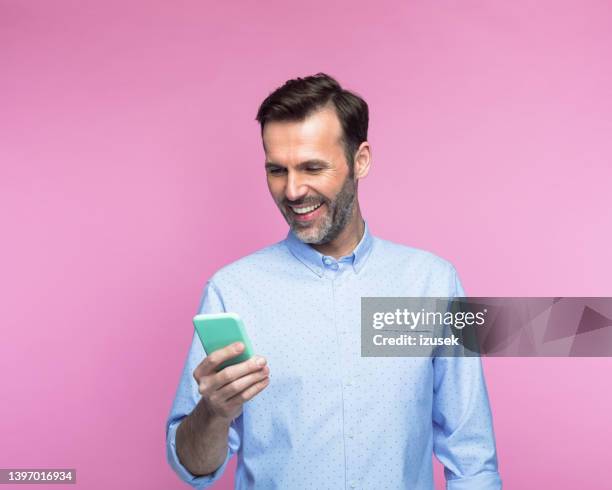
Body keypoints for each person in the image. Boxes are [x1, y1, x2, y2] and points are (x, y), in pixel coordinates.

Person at [166, 73, 502, 489]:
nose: (292, 190)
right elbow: (193, 467)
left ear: (360, 160)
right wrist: (213, 413)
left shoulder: (432, 283)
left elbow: (471, 458)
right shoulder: (231, 292)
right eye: (276, 170)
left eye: (312, 167)